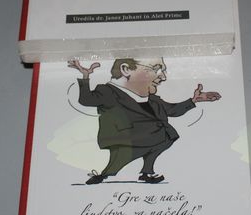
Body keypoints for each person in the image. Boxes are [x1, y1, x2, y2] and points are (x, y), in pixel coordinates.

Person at [68, 57, 221, 184]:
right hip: (127, 140)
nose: (163, 77)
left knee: (159, 145)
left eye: (163, 71)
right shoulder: (108, 92)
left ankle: (147, 172)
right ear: (126, 70)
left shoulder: (152, 99)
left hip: (156, 137)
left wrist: (194, 100)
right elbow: (86, 100)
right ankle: (102, 175)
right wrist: (85, 76)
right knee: (118, 160)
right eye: (156, 69)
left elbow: (173, 110)